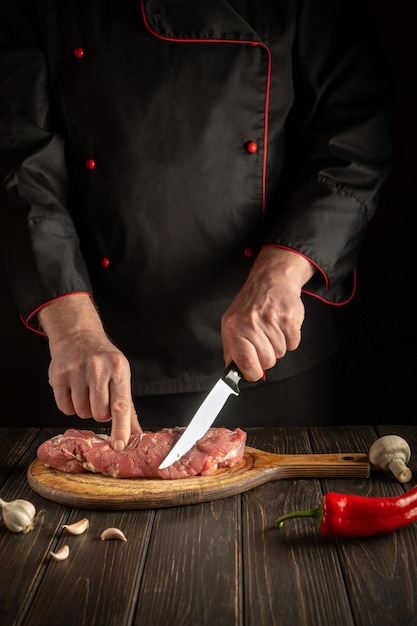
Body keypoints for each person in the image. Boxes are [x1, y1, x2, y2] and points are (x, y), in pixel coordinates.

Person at [0, 0, 393, 449]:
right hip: (78, 365)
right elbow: (17, 161)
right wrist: (72, 328)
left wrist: (279, 274)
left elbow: (356, 140)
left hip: (263, 355)